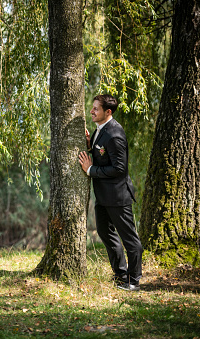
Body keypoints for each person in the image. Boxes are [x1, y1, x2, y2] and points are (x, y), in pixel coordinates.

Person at [78, 94, 143, 292]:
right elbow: (104, 154)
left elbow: (119, 168)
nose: (92, 111)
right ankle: (120, 275)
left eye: (96, 108)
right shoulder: (101, 129)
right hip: (103, 196)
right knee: (106, 234)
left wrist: (91, 171)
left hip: (117, 196)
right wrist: (91, 145)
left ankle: (133, 281)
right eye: (93, 107)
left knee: (130, 239)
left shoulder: (115, 134)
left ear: (108, 112)